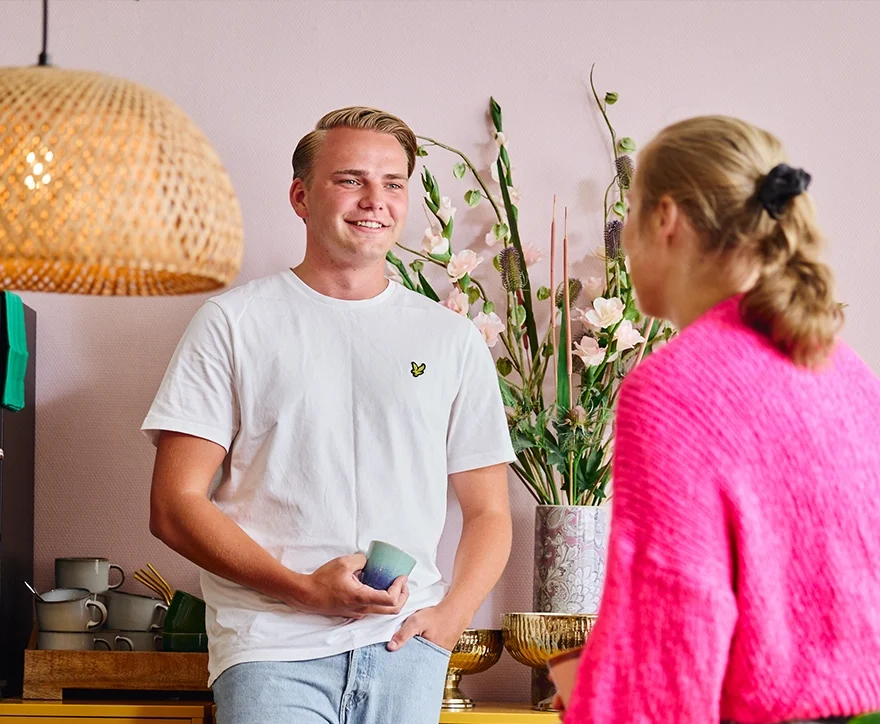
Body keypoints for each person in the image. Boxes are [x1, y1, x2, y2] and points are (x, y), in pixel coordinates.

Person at [142, 106, 515, 724]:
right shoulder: (234, 324)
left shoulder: (451, 340)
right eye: (350, 179)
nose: (376, 200)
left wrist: (449, 620)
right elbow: (174, 505)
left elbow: (489, 511)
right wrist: (304, 590)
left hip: (405, 651)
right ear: (300, 196)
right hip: (270, 648)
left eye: (394, 184)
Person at [562, 116, 880, 723]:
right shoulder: (847, 372)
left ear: (666, 219)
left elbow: (673, 631)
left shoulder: (671, 391)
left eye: (630, 211)